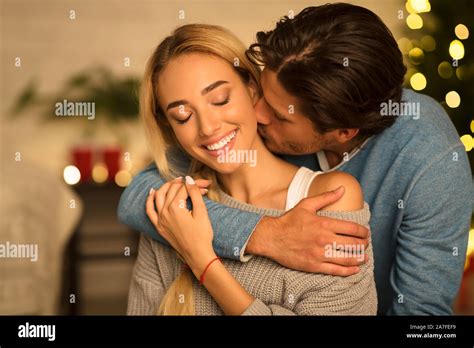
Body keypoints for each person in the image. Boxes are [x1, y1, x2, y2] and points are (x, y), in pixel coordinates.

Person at [119, 4, 473, 315]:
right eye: (258, 89)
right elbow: (139, 196)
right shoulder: (247, 124)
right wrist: (263, 235)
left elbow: (422, 318)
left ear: (342, 131)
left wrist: (204, 259)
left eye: (277, 113)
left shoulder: (431, 160)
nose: (256, 114)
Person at [126, 23, 376, 315]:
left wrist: (202, 261)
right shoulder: (173, 208)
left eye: (220, 99)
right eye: (182, 116)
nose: (208, 128)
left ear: (252, 89)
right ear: (169, 126)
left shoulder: (333, 197)